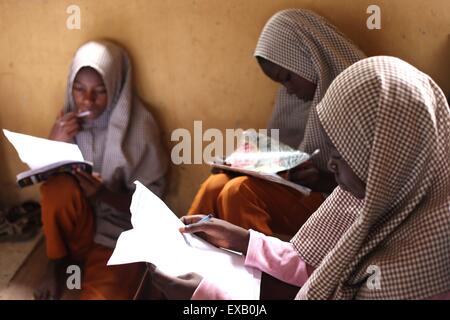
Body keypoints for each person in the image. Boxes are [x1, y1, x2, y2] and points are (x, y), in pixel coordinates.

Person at [149, 56, 450, 300]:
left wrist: (212, 298)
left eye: (342, 155)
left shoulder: (419, 268)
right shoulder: (381, 197)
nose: (330, 165)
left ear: (384, 161)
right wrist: (243, 240)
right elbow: (319, 265)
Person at [188, 9, 366, 237]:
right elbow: (281, 158)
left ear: (309, 59)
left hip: (336, 205)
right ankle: (173, 256)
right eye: (281, 83)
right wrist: (245, 165)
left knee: (238, 191)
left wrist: (321, 179)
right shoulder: (294, 100)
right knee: (216, 184)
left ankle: (260, 271)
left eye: (288, 77)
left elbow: (373, 188)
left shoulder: (358, 95)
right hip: (300, 195)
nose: (289, 90)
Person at [34, 40, 168, 300]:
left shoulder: (140, 127)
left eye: (100, 91)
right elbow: (44, 184)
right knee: (56, 190)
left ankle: (110, 274)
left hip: (118, 234)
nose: (87, 101)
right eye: (79, 89)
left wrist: (103, 194)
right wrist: (54, 141)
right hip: (79, 230)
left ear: (117, 87)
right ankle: (56, 263)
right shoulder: (68, 122)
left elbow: (153, 209)